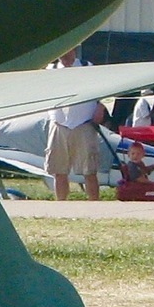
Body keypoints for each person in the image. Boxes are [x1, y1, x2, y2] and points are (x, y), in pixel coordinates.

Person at [45, 47, 105, 201]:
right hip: (58, 123)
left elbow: (105, 89)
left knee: (89, 171)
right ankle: (61, 206)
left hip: (83, 124)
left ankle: (94, 206)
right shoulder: (50, 70)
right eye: (61, 52)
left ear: (74, 50)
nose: (64, 56)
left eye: (67, 51)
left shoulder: (87, 67)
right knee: (59, 171)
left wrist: (100, 107)